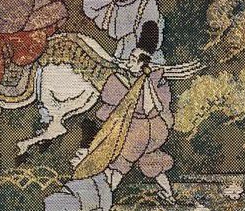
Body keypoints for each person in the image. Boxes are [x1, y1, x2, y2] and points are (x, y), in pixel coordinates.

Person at [75, 21, 175, 201]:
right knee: (150, 159)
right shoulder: (143, 80)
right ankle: (168, 193)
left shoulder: (148, 82)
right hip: (152, 128)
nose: (128, 62)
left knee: (119, 165)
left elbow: (150, 109)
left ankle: (103, 200)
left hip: (140, 130)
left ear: (142, 64)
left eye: (132, 60)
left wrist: (145, 84)